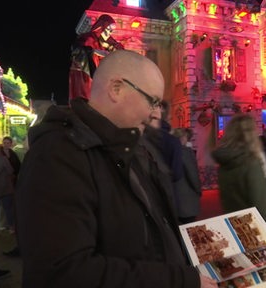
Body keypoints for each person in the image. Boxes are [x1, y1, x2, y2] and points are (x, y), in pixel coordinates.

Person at [16, 50, 217, 288]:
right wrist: (179, 281)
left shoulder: (134, 145)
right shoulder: (57, 156)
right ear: (116, 88)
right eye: (152, 101)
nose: (156, 113)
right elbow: (65, 272)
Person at [211, 114, 266, 238]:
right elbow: (261, 205)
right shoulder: (250, 163)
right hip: (254, 231)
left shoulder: (225, 162)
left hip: (235, 226)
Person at [69, 14, 124, 101]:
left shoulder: (104, 42)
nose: (110, 32)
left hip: (98, 76)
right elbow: (80, 50)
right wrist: (96, 52)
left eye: (112, 30)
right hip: (85, 73)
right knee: (86, 94)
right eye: (109, 29)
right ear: (102, 27)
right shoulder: (89, 37)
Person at [171, 128, 202, 224]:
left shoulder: (169, 151)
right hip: (186, 196)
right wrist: (198, 189)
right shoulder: (185, 152)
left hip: (174, 196)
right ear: (183, 138)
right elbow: (192, 174)